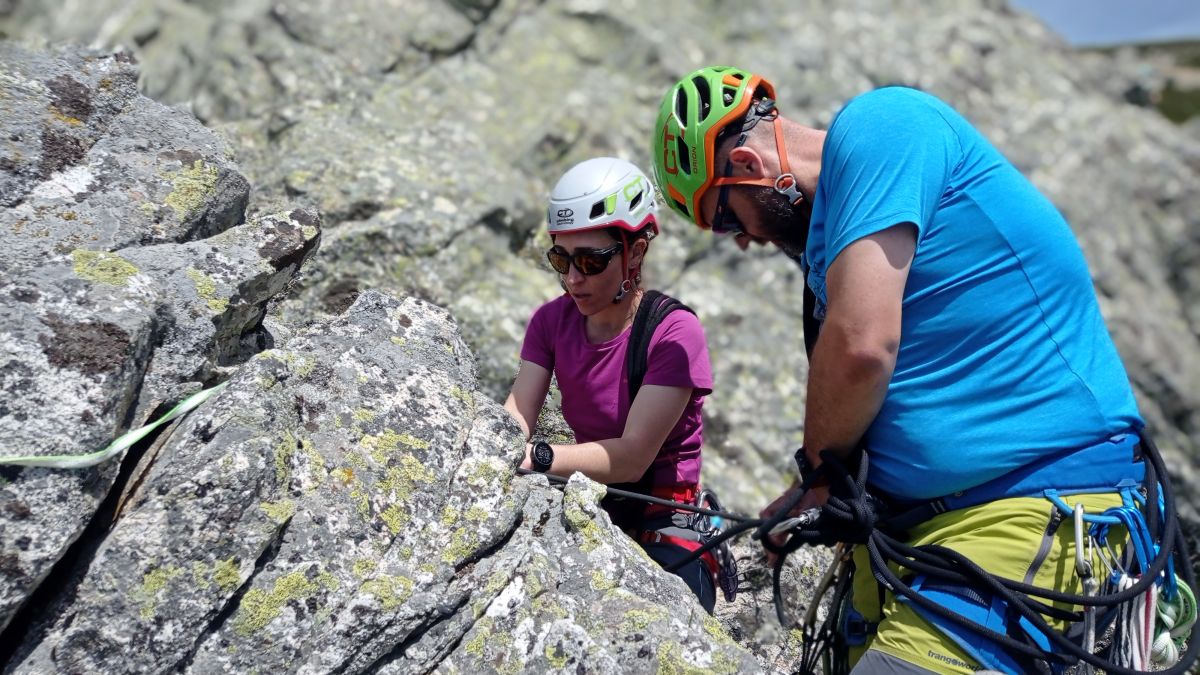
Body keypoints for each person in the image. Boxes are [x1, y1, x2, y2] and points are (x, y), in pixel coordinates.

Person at [650, 67, 1156, 673]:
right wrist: (817, 491)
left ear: (749, 167)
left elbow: (862, 346)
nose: (741, 241)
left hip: (1032, 506)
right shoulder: (838, 232)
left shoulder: (883, 126)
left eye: (727, 219)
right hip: (939, 531)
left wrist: (818, 473)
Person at [504, 156, 719, 612]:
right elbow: (517, 414)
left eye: (590, 261)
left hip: (665, 513)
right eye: (561, 259)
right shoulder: (550, 322)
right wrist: (498, 447)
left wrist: (536, 457)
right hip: (595, 497)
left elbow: (632, 457)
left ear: (634, 252)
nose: (572, 278)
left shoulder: (673, 332)